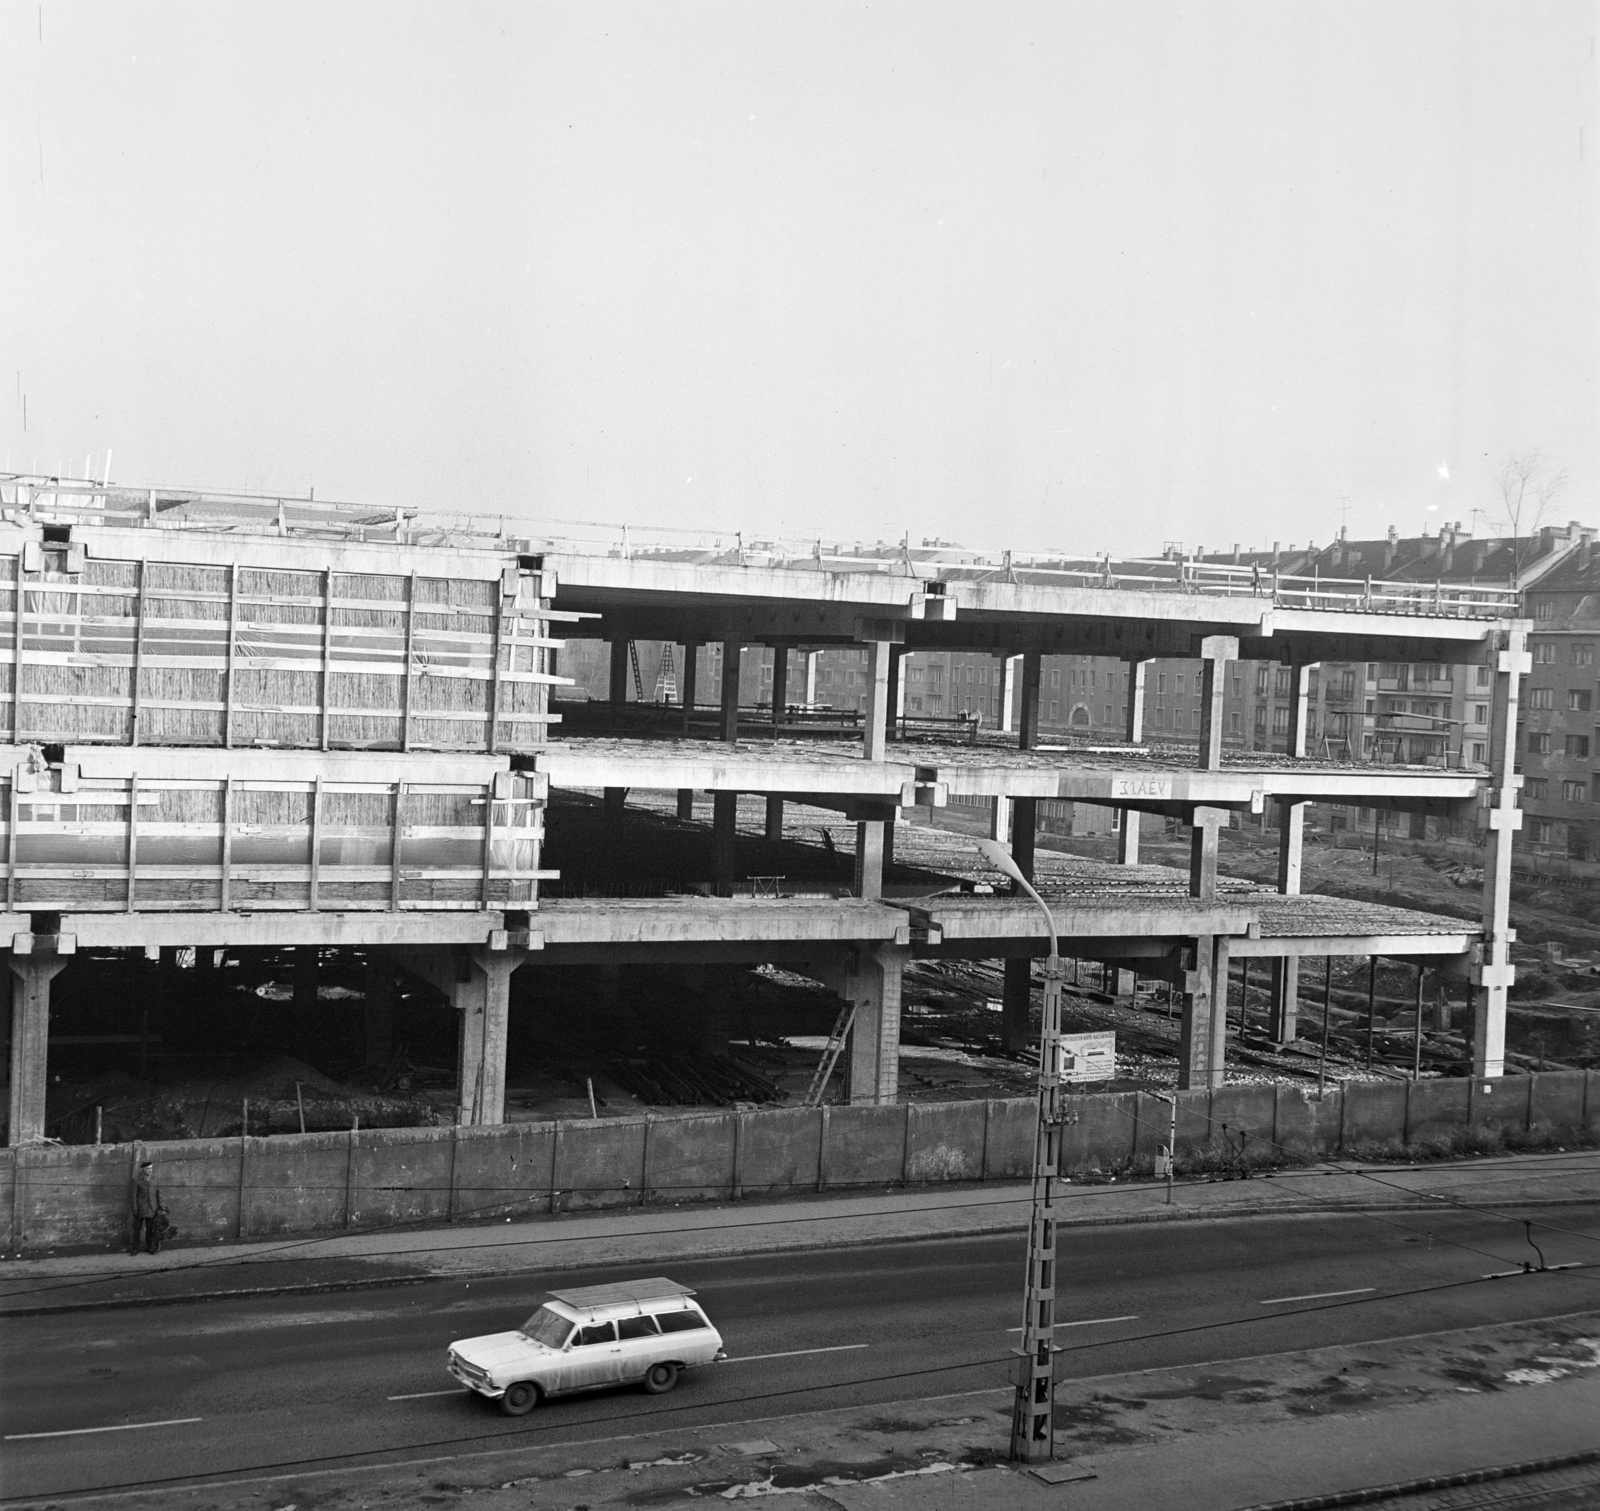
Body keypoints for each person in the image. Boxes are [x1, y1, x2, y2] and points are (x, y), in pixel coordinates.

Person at [131, 1159, 161, 1255]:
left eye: (151, 1168)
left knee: (150, 1229)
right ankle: (135, 1248)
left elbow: (159, 1194)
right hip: (140, 1209)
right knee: (137, 1230)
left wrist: (161, 1207)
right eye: (148, 1169)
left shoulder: (155, 1179)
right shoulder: (136, 1180)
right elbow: (133, 1196)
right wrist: (135, 1209)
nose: (150, 1170)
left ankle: (149, 1247)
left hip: (152, 1209)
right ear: (143, 1169)